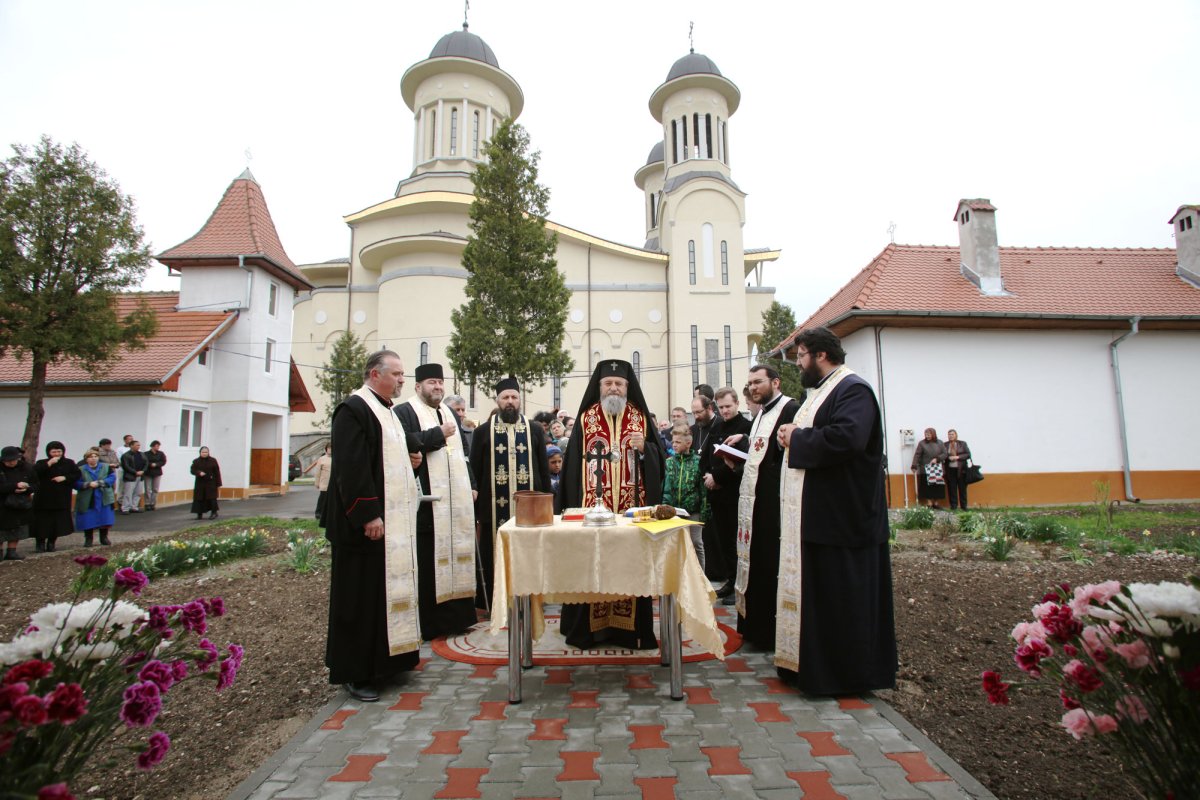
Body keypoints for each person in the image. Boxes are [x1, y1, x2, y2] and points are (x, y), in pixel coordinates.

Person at [775, 327, 897, 695]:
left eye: (801, 357)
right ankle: (815, 669)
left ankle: (843, 677)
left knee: (844, 600)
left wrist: (796, 437)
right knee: (824, 599)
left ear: (820, 355)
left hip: (845, 520)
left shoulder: (852, 389)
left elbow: (849, 439)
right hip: (822, 518)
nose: (799, 364)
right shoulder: (824, 391)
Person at [323, 350, 425, 701]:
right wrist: (368, 514)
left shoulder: (387, 413)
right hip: (363, 527)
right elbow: (350, 468)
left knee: (380, 597)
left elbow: (386, 462)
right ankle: (356, 672)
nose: (401, 380)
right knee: (359, 599)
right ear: (373, 373)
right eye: (396, 374)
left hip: (390, 525)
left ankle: (388, 662)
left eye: (402, 375)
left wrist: (411, 460)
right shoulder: (353, 410)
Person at [558, 359, 666, 650]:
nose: (614, 388)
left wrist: (647, 450)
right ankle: (587, 631)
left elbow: (661, 459)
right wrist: (569, 508)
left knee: (630, 570)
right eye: (609, 383)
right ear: (600, 387)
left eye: (620, 384)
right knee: (590, 569)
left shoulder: (641, 418)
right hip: (592, 516)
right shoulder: (585, 420)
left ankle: (630, 631)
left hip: (632, 515)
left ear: (628, 388)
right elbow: (570, 471)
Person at [395, 363, 478, 639]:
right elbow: (405, 443)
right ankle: (432, 624)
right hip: (428, 505)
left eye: (441, 383)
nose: (438, 387)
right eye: (432, 382)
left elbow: (464, 454)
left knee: (457, 553)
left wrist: (473, 484)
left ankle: (458, 619)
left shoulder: (449, 412)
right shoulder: (403, 412)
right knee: (430, 563)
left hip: (456, 502)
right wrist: (437, 435)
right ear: (418, 386)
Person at [727, 365, 800, 650]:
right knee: (753, 562)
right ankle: (753, 629)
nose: (753, 387)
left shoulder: (790, 409)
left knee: (768, 565)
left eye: (758, 382)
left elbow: (783, 458)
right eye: (750, 383)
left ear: (775, 382)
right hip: (753, 504)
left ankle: (768, 633)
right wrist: (739, 458)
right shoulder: (760, 414)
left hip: (773, 505)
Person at [469, 377, 551, 610]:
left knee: (529, 551)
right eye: (505, 397)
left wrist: (547, 504)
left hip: (530, 509)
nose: (510, 402)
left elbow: (543, 470)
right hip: (492, 508)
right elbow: (474, 470)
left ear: (520, 401)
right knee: (492, 551)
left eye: (514, 397)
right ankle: (496, 599)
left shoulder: (534, 429)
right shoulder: (483, 431)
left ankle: (531, 596)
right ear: (497, 400)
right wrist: (476, 510)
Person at [704, 386, 752, 603]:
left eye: (728, 406)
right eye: (721, 407)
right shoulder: (716, 428)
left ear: (737, 404)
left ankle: (739, 584)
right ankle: (730, 579)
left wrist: (718, 477)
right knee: (723, 540)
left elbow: (744, 461)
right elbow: (706, 457)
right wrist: (707, 476)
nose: (724, 411)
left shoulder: (746, 428)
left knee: (736, 542)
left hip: (735, 493)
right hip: (717, 495)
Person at [662, 423, 705, 570]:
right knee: (673, 545)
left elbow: (702, 490)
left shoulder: (698, 462)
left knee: (696, 543)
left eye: (678, 442)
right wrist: (665, 507)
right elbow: (666, 488)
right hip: (674, 512)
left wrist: (704, 512)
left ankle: (701, 579)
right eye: (673, 441)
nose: (674, 445)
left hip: (693, 511)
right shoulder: (670, 463)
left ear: (688, 443)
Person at [32, 441, 80, 552]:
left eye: (59, 451)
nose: (57, 454)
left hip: (61, 498)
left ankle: (51, 542)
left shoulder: (69, 463)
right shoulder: (42, 462)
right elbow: (34, 473)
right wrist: (49, 464)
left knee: (56, 522)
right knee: (42, 522)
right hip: (43, 498)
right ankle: (40, 543)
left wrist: (65, 478)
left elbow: (76, 474)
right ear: (49, 452)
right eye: (54, 452)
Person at [1, 446, 38, 560]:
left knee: (17, 528)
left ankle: (12, 551)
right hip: (2, 504)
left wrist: (27, 488)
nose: (11, 463)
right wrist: (14, 486)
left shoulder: (27, 468)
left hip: (20, 503)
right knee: (1, 529)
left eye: (13, 460)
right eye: (8, 461)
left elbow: (36, 485)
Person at [74, 448, 116, 547]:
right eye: (90, 457)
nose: (93, 459)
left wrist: (101, 483)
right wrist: (87, 484)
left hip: (103, 495)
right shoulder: (80, 469)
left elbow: (112, 477)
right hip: (87, 497)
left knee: (104, 517)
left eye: (95, 456)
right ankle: (88, 538)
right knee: (88, 518)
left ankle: (104, 537)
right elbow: (76, 483)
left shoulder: (106, 467)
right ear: (86, 459)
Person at [912, 428, 947, 508]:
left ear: (933, 434)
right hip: (926, 468)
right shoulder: (922, 443)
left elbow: (945, 453)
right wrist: (914, 465)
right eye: (926, 434)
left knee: (938, 485)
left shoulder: (940, 442)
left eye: (929, 434)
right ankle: (929, 502)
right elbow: (917, 455)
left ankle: (936, 503)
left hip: (938, 468)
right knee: (927, 486)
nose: (927, 436)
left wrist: (937, 459)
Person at [190, 447, 222, 520]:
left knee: (212, 498)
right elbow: (192, 470)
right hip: (200, 483)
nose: (204, 454)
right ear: (200, 453)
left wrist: (218, 483)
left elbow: (217, 472)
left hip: (211, 482)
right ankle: (199, 514)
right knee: (199, 498)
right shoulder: (196, 461)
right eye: (203, 452)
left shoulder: (213, 460)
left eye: (206, 452)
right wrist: (198, 473)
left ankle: (214, 512)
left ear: (208, 453)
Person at [944, 429, 973, 510]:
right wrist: (948, 458)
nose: (950, 436)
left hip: (961, 470)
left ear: (956, 435)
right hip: (950, 470)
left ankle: (964, 506)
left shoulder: (962, 443)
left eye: (952, 434)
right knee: (952, 488)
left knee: (962, 488)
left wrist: (958, 457)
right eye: (949, 434)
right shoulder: (945, 444)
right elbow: (943, 455)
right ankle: (953, 506)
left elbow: (968, 454)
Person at [306, 443, 333, 520]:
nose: (330, 450)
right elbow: (317, 472)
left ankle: (329, 514)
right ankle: (318, 513)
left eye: (331, 448)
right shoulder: (321, 459)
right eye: (329, 448)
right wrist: (317, 483)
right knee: (322, 499)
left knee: (332, 500)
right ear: (326, 449)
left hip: (333, 484)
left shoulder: (336, 458)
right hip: (324, 483)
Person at [119, 440, 147, 514]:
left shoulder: (142, 454)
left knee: (138, 492)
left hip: (140, 476)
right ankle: (125, 508)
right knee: (128, 493)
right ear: (131, 446)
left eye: (139, 445)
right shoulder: (126, 455)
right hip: (130, 476)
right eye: (137, 445)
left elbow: (146, 463)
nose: (138, 446)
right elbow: (125, 466)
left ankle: (134, 507)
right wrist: (135, 472)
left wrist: (143, 471)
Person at [143, 440, 167, 511]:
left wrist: (157, 464)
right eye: (156, 446)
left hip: (157, 472)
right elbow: (144, 461)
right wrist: (150, 464)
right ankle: (147, 503)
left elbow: (163, 461)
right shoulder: (146, 453)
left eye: (158, 446)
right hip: (148, 472)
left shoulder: (161, 453)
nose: (158, 447)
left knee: (155, 489)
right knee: (147, 489)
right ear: (152, 446)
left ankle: (153, 503)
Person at [97, 438, 120, 508]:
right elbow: (98, 463)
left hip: (112, 471)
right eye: (107, 445)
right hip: (102, 473)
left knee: (112, 487)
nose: (109, 446)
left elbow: (117, 461)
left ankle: (111, 504)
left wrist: (117, 464)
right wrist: (108, 465)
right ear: (102, 445)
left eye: (110, 445)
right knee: (103, 487)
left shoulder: (112, 452)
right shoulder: (97, 452)